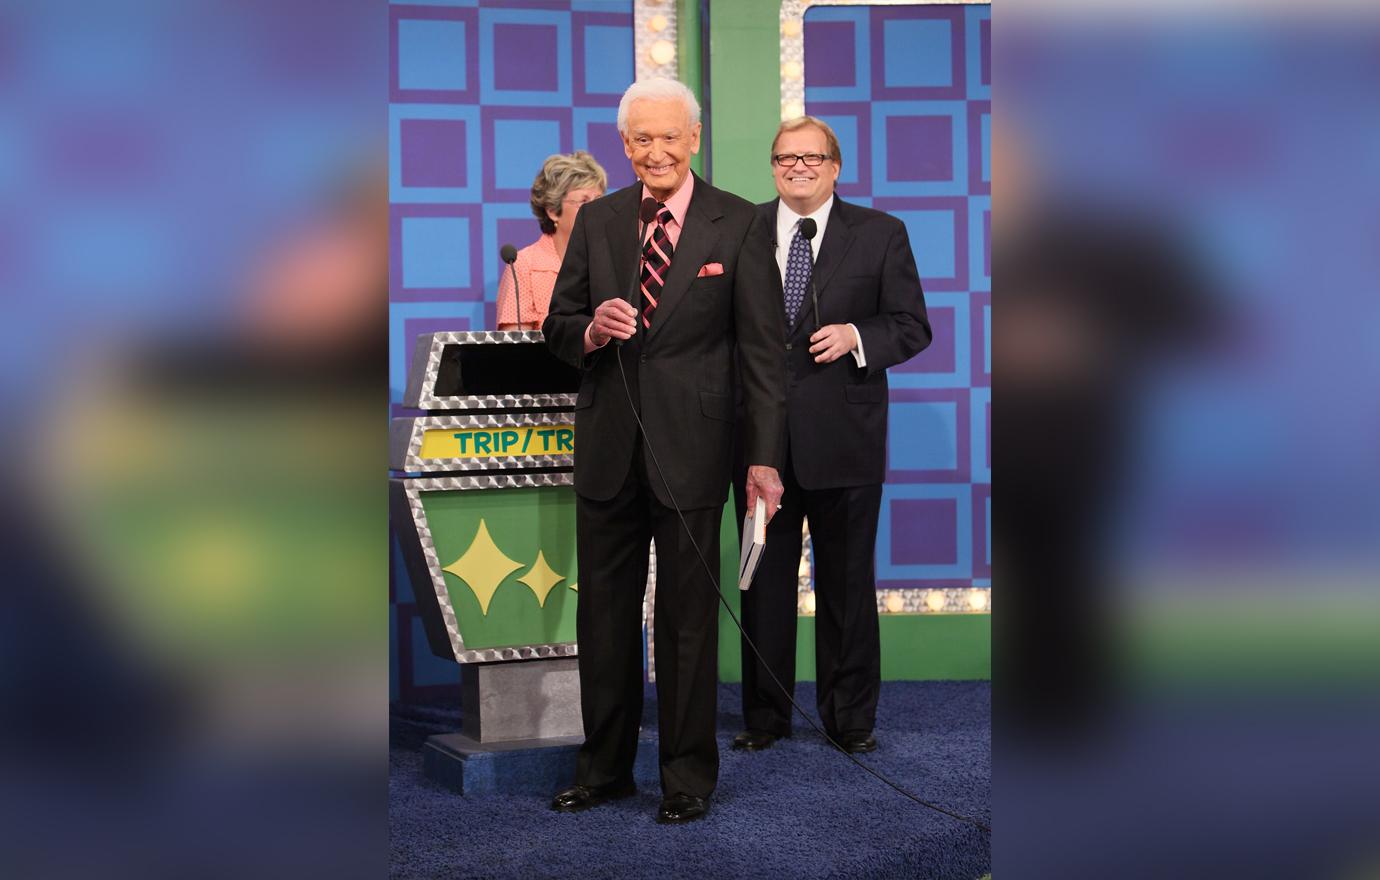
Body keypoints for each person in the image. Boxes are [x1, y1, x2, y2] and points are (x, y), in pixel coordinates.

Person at [542, 77, 786, 825]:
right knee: (605, 619)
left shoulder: (739, 222)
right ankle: (605, 768)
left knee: (687, 622)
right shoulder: (600, 221)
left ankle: (686, 778)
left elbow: (762, 354)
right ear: (624, 146)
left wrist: (763, 458)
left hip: (696, 451)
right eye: (641, 139)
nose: (655, 151)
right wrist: (589, 330)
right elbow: (559, 324)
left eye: (668, 137)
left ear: (695, 139)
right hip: (609, 448)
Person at [732, 116, 931, 756]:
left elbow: (911, 325)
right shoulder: (742, 231)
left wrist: (857, 337)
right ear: (773, 166)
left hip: (847, 440)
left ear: (835, 166)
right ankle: (765, 717)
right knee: (762, 583)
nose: (798, 167)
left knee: (847, 585)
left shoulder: (880, 234)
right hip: (762, 446)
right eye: (785, 157)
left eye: (812, 157)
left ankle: (850, 719)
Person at [497, 151, 608, 330]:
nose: (596, 210)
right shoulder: (524, 266)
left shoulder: (612, 260)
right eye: (584, 202)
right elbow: (514, 348)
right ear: (553, 211)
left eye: (599, 201)